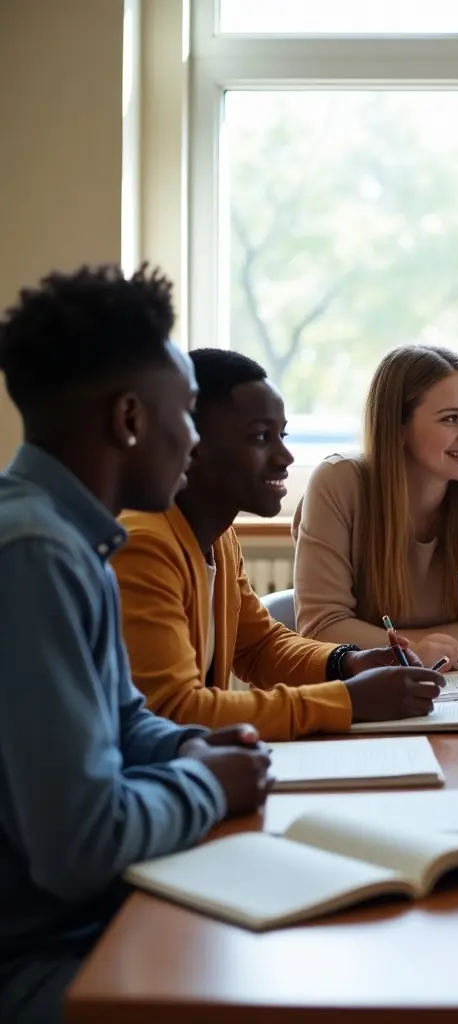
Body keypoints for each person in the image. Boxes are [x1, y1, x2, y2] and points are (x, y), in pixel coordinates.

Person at [0, 266, 272, 1024]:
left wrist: (193, 746)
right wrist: (212, 786)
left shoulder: (67, 537)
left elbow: (124, 719)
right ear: (128, 419)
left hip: (84, 921)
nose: (193, 438)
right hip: (37, 958)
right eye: (185, 412)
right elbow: (81, 843)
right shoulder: (34, 555)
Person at [111, 349, 445, 743]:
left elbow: (259, 647)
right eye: (260, 437)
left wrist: (346, 662)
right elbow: (175, 711)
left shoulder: (218, 537)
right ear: (190, 444)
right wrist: (349, 700)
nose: (285, 457)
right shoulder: (142, 543)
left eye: (282, 436)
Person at [292, 344, 458, 669]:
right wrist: (419, 650)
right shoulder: (338, 482)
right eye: (451, 419)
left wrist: (406, 647)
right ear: (398, 428)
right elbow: (322, 629)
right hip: (365, 694)